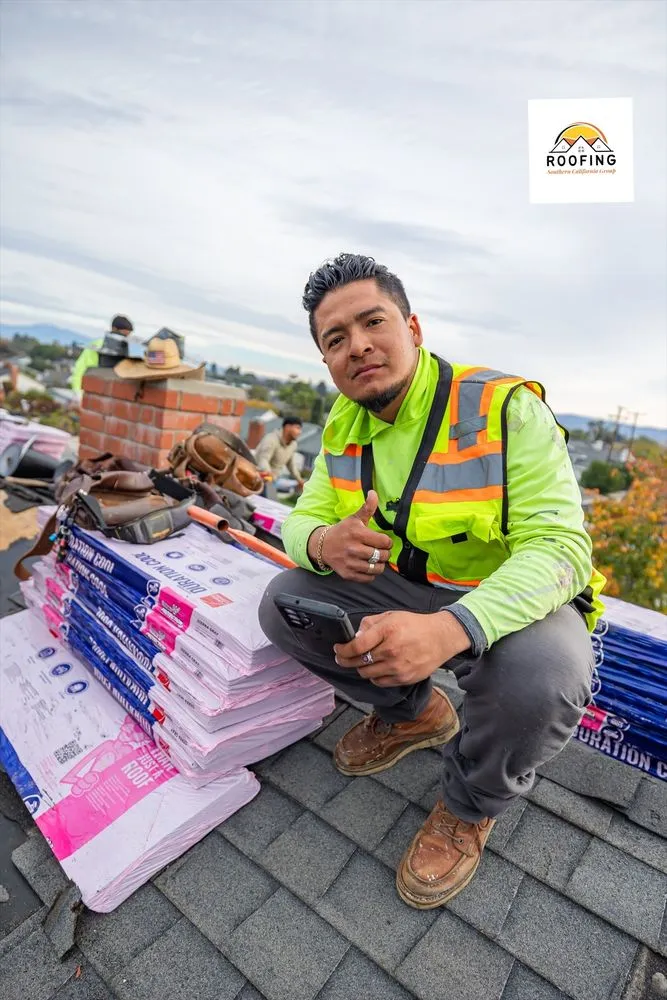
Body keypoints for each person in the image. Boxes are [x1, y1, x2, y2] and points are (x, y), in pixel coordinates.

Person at [258, 252, 605, 910]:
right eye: (335, 339)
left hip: (511, 602)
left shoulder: (500, 408)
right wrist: (324, 541)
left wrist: (452, 628)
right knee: (285, 604)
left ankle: (469, 805)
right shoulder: (343, 424)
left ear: (412, 328)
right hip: (409, 587)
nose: (357, 345)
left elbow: (561, 547)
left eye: (372, 322)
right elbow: (301, 518)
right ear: (325, 360)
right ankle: (413, 715)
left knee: (545, 675)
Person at [69, 315, 133, 396]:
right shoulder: (98, 345)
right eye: (122, 334)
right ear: (114, 329)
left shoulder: (123, 348)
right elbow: (79, 368)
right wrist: (78, 392)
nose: (124, 338)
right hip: (89, 389)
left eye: (127, 336)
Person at [254, 416, 305, 495]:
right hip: (258, 477)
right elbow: (263, 460)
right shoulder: (271, 439)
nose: (300, 432)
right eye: (297, 428)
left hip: (274, 480)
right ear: (287, 427)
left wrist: (300, 480)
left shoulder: (293, 445)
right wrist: (269, 474)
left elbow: (291, 465)